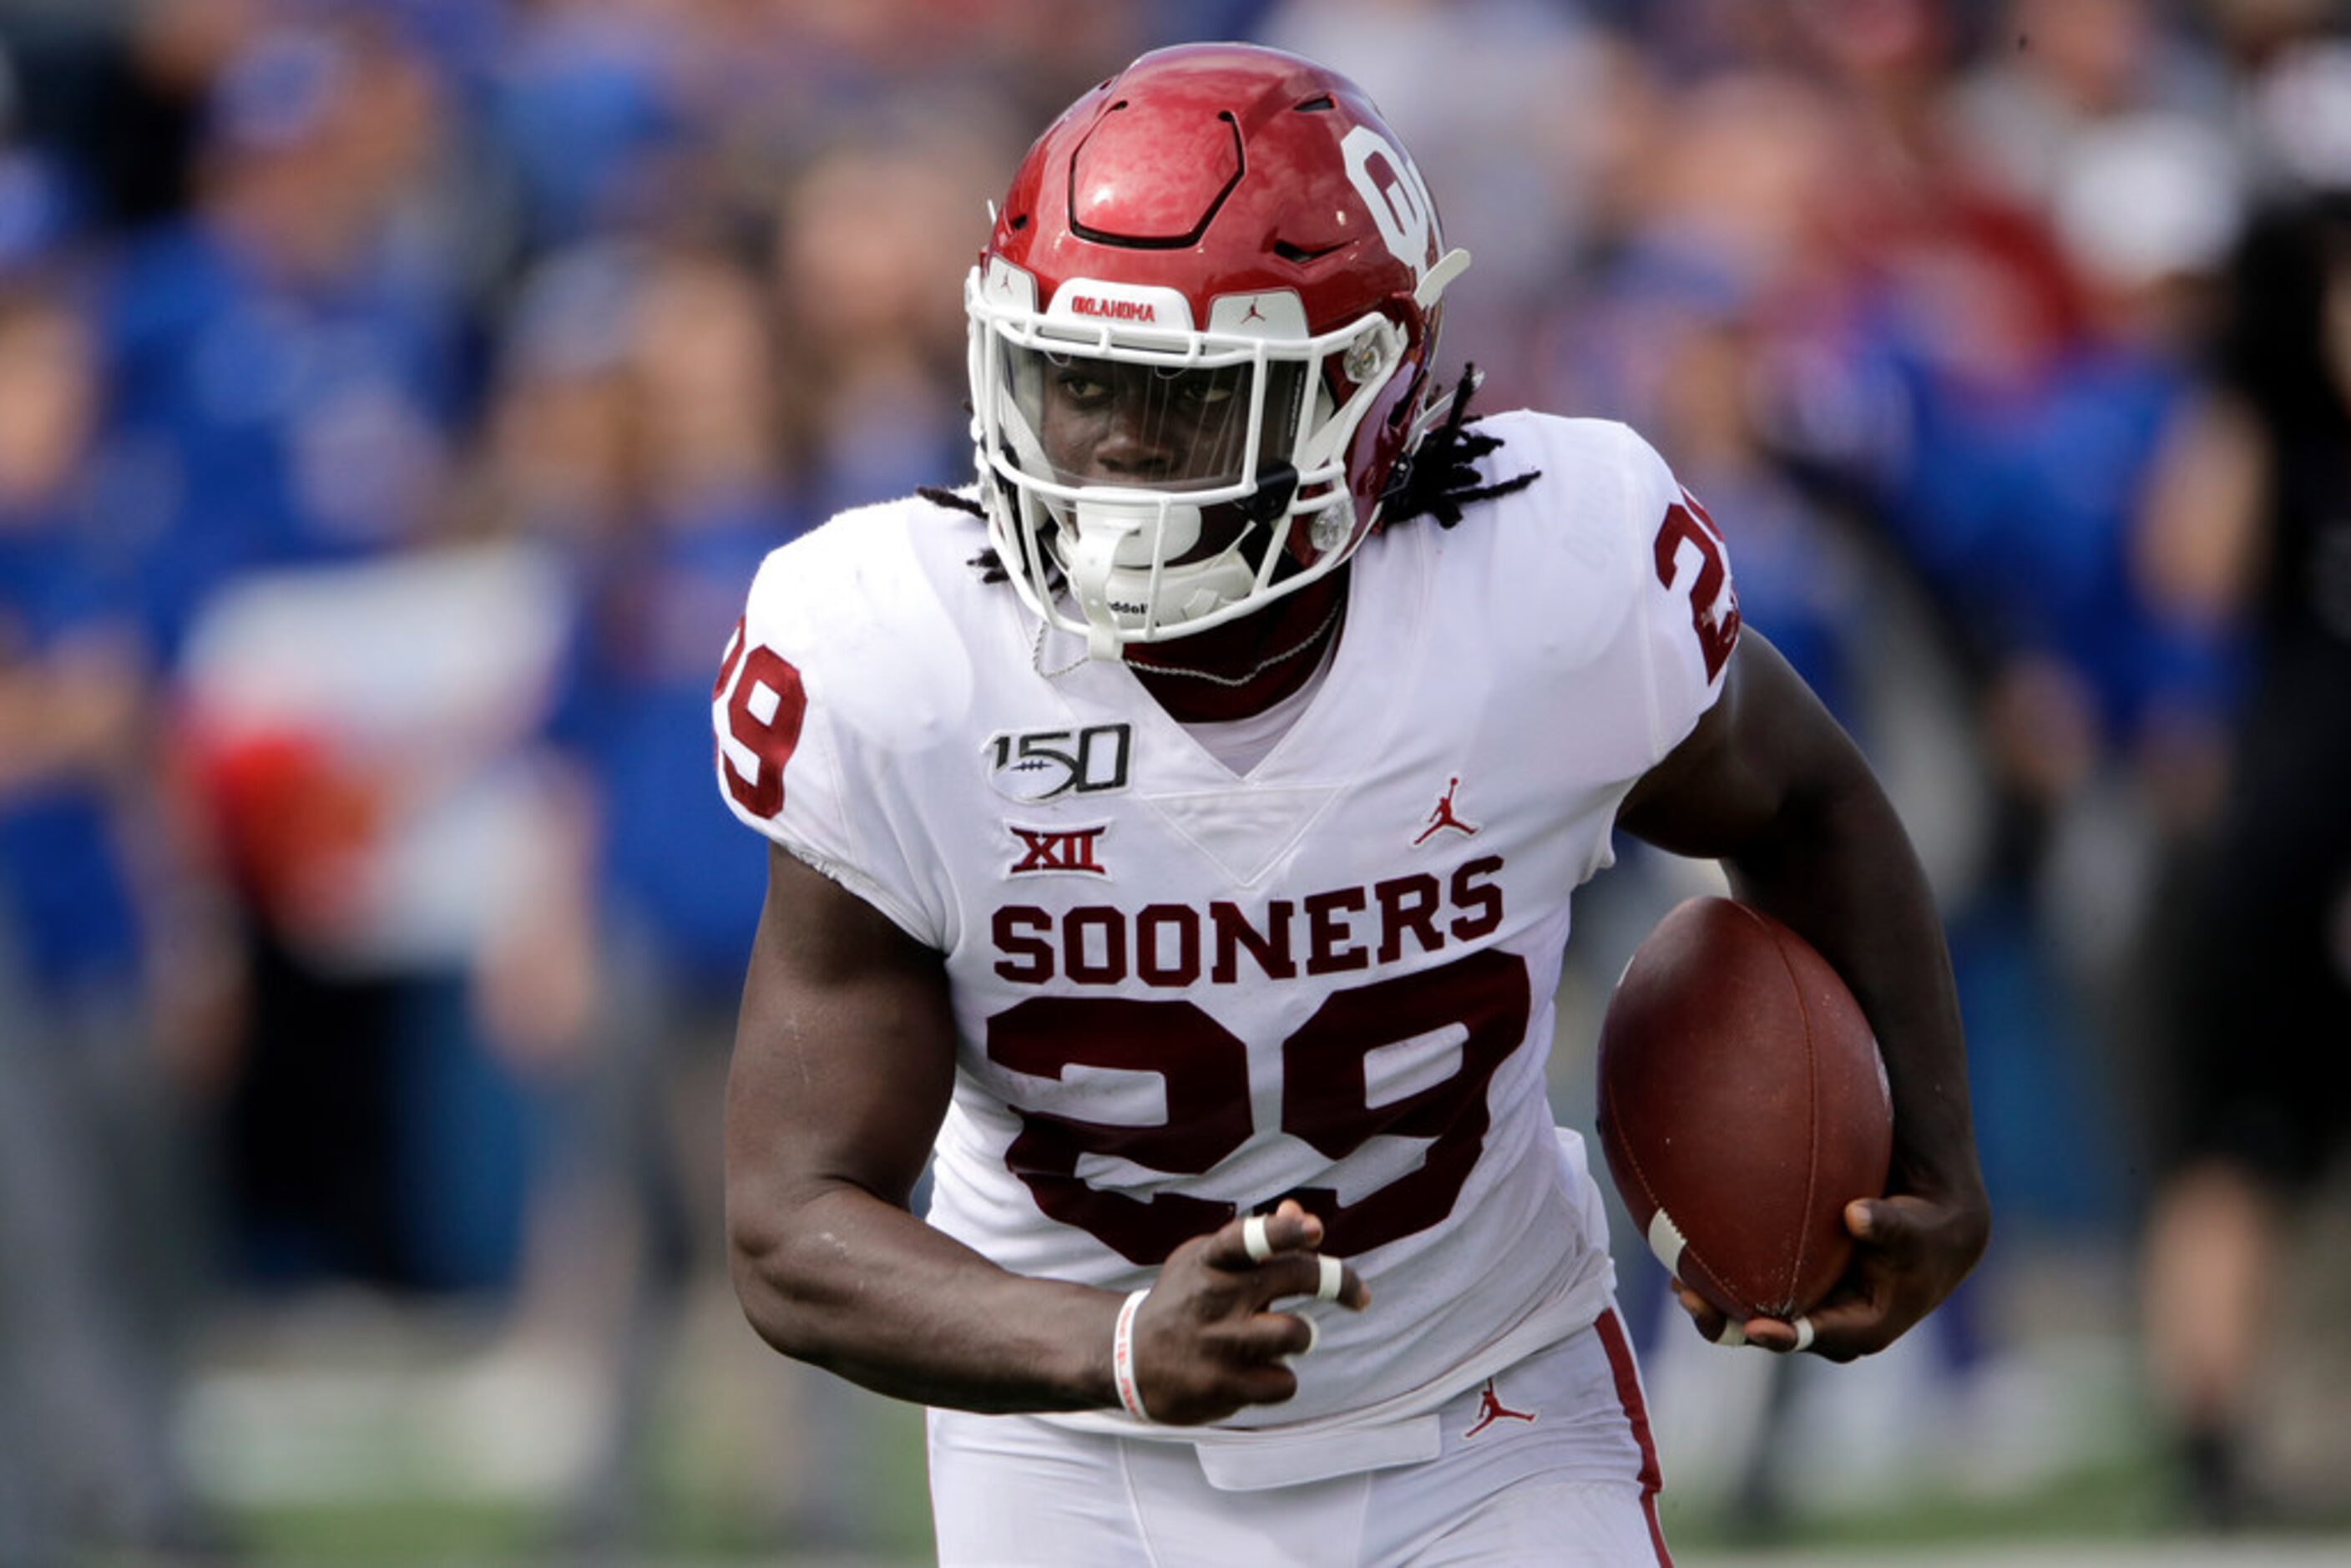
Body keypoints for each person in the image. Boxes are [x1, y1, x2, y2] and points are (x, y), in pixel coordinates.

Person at [714, 43, 1989, 1565]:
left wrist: (1930, 1154)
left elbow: (1808, 800)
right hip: (1074, 1444)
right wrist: (1112, 1344)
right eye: (1077, 383)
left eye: (1180, 403)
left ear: (1355, 398)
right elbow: (790, 1221)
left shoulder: (1547, 584)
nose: (1112, 450)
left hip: (1488, 1403)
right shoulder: (903, 659)